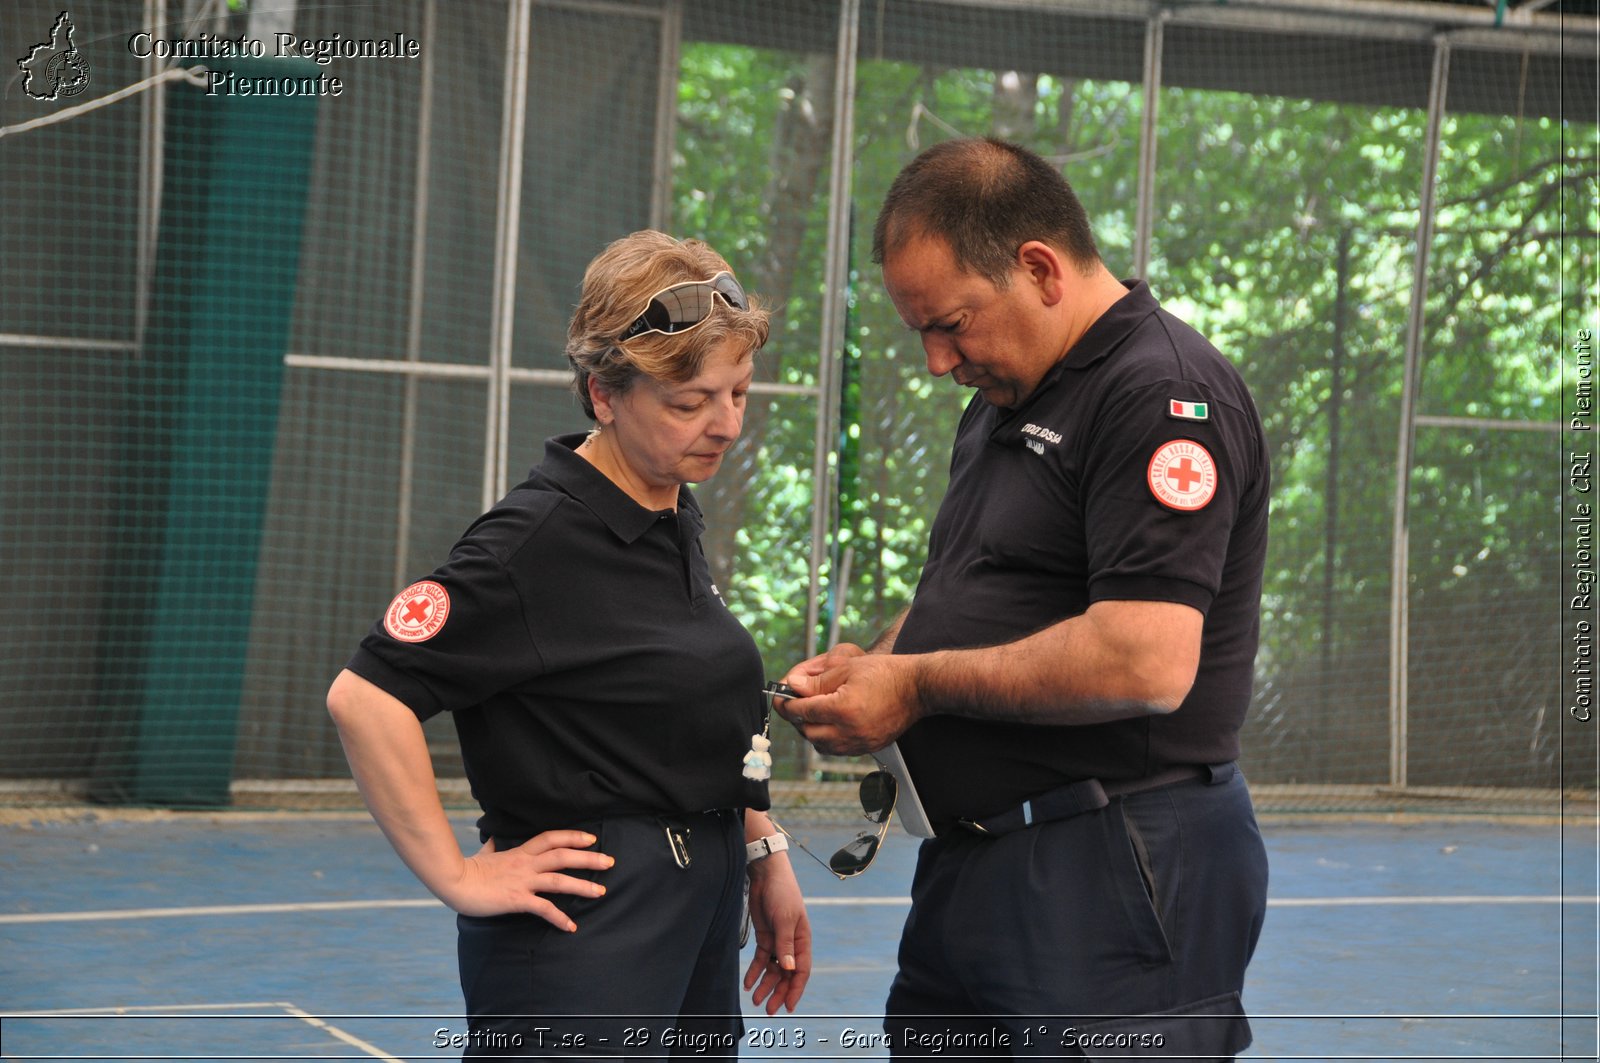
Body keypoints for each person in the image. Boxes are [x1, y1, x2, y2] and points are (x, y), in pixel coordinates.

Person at [777, 138, 1271, 1058]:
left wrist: (917, 685)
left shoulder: (1159, 392)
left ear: (1039, 268)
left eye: (951, 324)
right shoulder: (1009, 394)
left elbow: (1146, 657)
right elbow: (979, 581)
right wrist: (875, 666)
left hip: (1113, 865)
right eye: (921, 330)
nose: (936, 360)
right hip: (980, 868)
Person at [327, 230, 810, 1058]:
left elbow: (693, 710)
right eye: (689, 401)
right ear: (604, 395)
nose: (724, 423)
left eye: (738, 391)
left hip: (701, 898)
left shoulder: (669, 505)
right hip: (591, 923)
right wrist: (458, 874)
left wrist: (762, 850)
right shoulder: (529, 544)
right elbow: (366, 695)